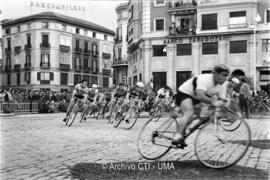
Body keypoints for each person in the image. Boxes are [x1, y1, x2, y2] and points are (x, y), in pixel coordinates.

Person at [173, 64, 230, 146]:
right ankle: (177, 135)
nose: (225, 78)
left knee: (200, 115)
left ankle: (183, 129)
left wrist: (224, 103)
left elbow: (221, 100)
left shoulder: (223, 85)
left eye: (227, 76)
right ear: (215, 73)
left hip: (196, 97)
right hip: (185, 92)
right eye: (223, 75)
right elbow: (200, 96)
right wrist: (214, 102)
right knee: (189, 112)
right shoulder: (205, 79)